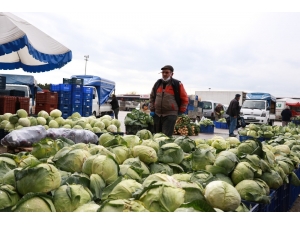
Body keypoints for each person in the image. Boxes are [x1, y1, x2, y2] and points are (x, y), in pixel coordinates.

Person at [149, 65, 189, 137]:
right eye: (163, 72)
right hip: (157, 114)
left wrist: (181, 110)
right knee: (156, 136)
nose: (164, 74)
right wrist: (152, 109)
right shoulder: (158, 83)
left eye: (167, 72)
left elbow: (184, 98)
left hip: (170, 114)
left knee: (165, 136)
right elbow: (152, 97)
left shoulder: (177, 84)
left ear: (171, 74)